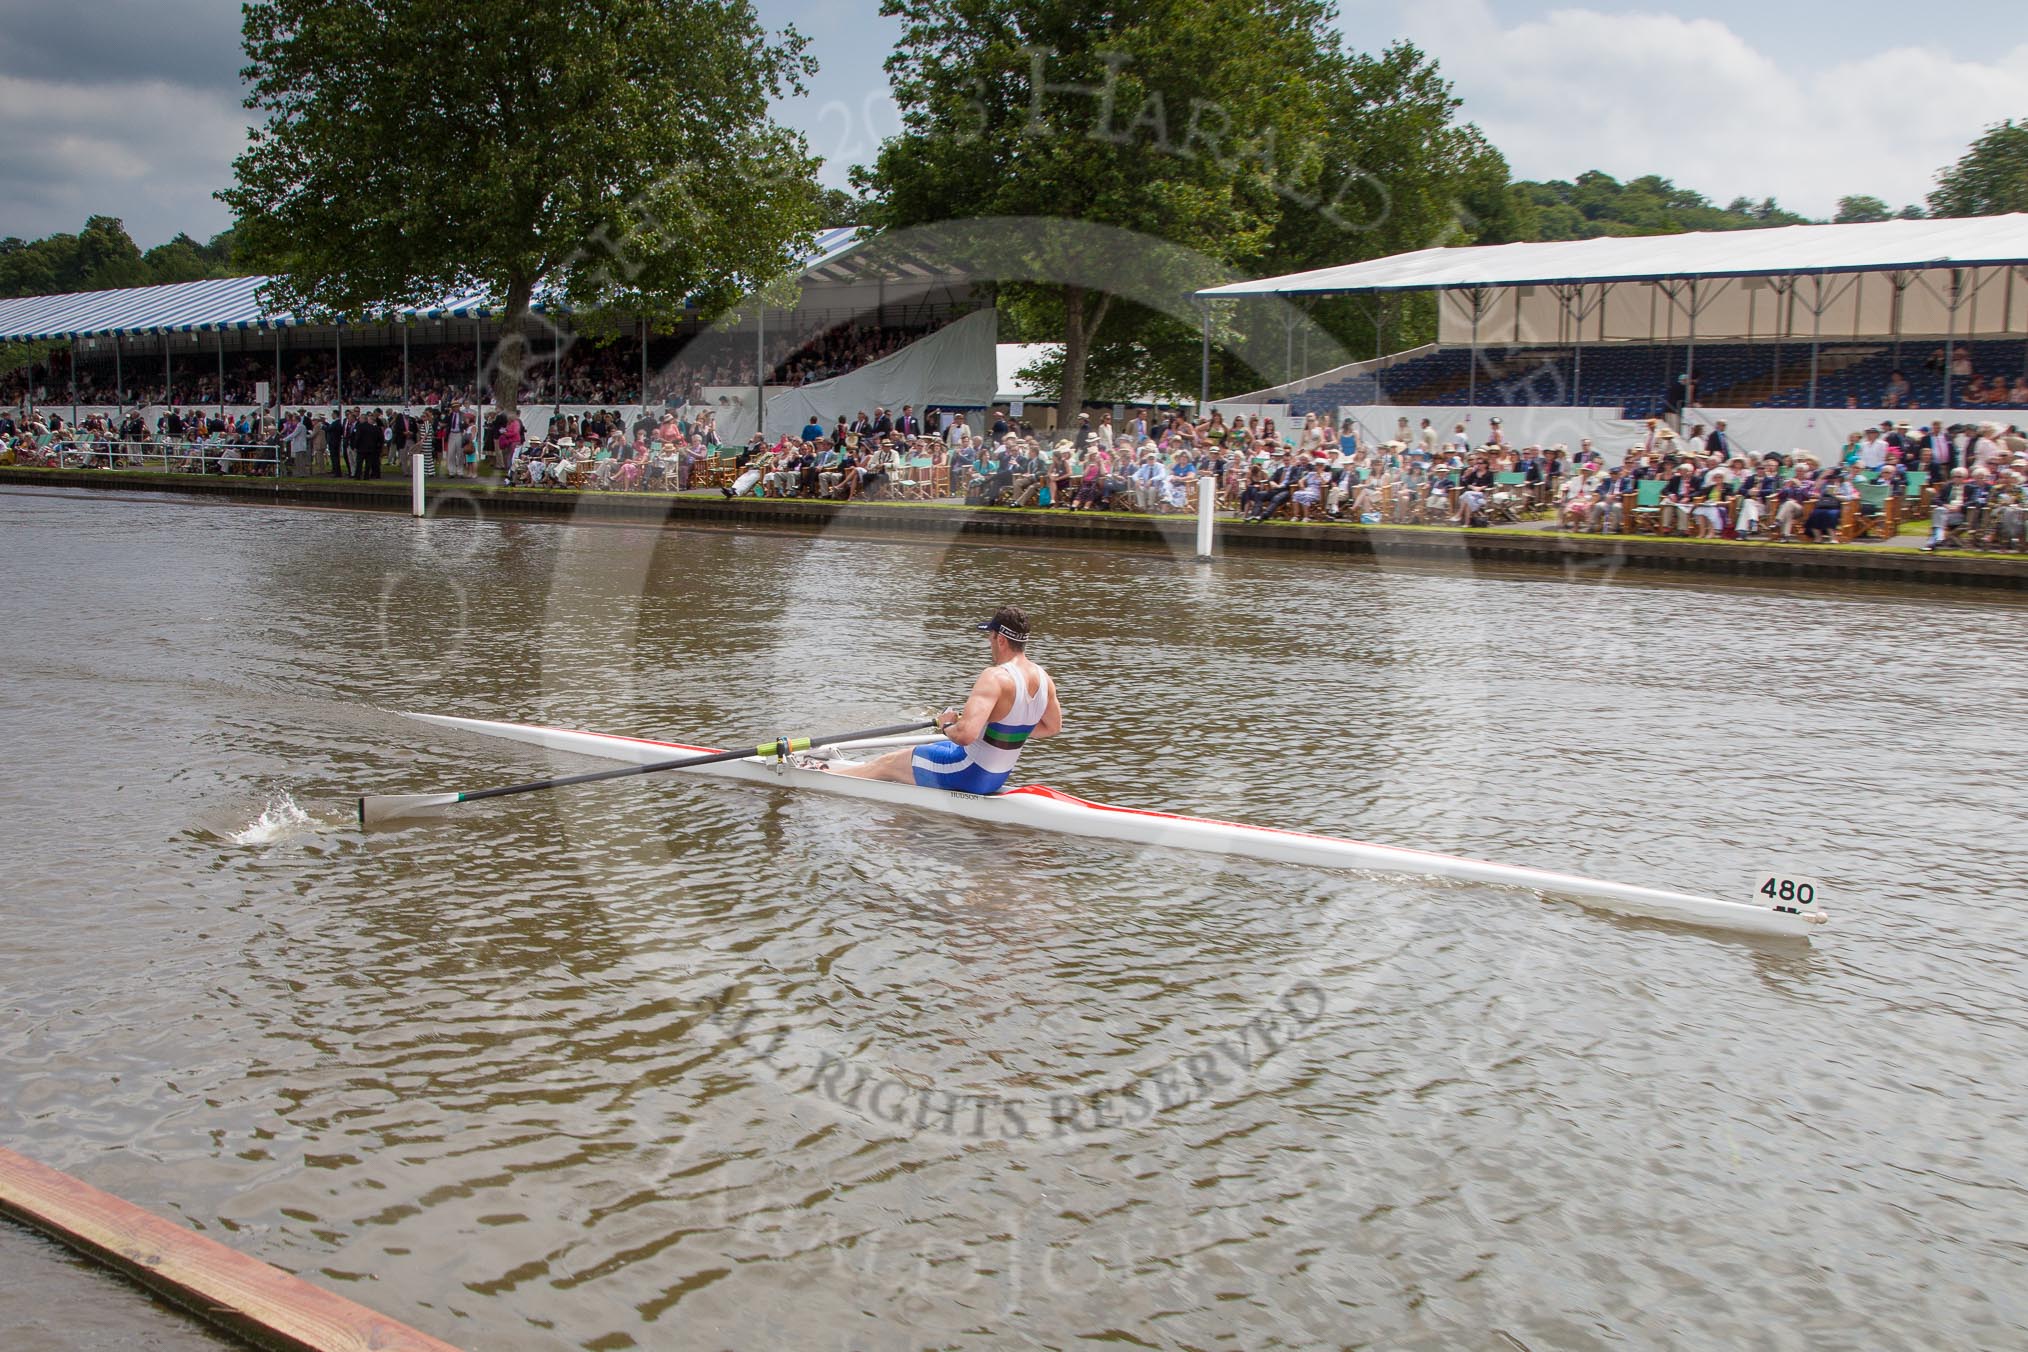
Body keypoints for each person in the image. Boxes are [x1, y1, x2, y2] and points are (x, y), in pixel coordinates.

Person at [815, 607, 1061, 794]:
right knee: (915, 752)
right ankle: (855, 769)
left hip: (968, 774)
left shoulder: (995, 676)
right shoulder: (1044, 679)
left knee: (889, 763)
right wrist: (999, 731)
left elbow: (965, 736)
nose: (989, 644)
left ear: (1001, 639)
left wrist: (947, 725)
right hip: (998, 776)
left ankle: (820, 778)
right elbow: (1052, 727)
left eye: (990, 637)